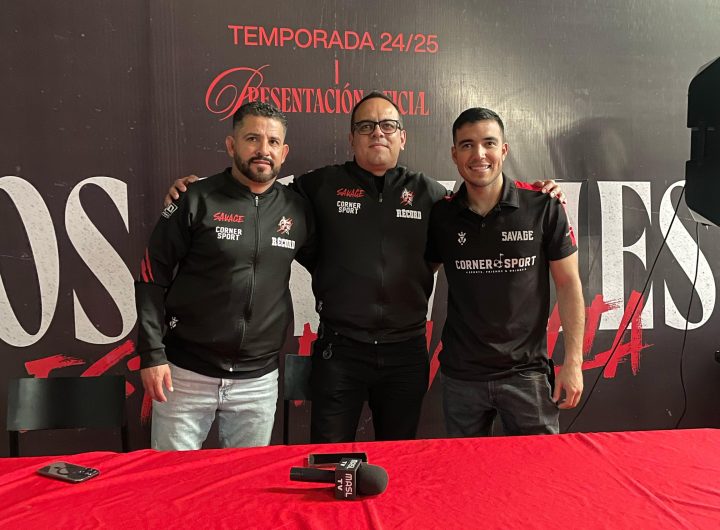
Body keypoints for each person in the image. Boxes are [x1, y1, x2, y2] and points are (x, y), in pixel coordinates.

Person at [165, 92, 566, 443]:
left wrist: (542, 192)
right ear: (352, 137)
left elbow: (484, 217)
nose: (378, 133)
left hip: (406, 351)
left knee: (398, 458)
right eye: (366, 126)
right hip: (340, 351)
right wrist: (203, 192)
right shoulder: (318, 186)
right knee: (328, 460)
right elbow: (258, 194)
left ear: (402, 137)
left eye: (388, 125)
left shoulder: (431, 194)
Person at [135, 101, 314, 450]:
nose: (263, 150)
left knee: (244, 481)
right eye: (252, 138)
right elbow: (150, 276)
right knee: (174, 478)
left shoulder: (297, 209)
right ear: (232, 145)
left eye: (273, 142)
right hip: (185, 375)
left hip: (258, 382)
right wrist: (152, 353)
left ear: (284, 152)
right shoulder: (194, 198)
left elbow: (334, 265)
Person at [425, 107, 584, 437]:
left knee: (538, 468)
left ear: (504, 149)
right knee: (466, 468)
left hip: (527, 375)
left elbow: (569, 284)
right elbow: (417, 277)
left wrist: (573, 363)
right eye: (467, 145)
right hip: (462, 376)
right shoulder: (441, 215)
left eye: (489, 143)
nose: (479, 154)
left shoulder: (543, 205)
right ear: (454, 154)